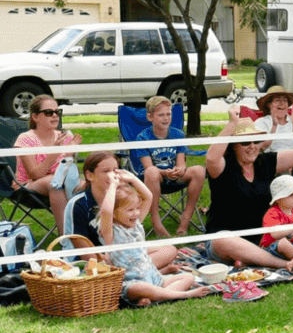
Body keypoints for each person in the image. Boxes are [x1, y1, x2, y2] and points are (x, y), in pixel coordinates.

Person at [202, 106, 293, 268]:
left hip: (263, 238)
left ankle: (251, 259)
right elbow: (211, 158)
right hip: (230, 240)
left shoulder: (266, 162)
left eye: (256, 140)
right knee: (223, 240)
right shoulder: (223, 166)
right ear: (233, 145)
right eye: (245, 142)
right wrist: (231, 124)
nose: (252, 146)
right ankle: (284, 263)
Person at [98, 169, 212, 306]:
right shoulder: (111, 232)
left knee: (188, 277)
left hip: (154, 278)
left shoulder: (136, 224)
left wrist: (132, 178)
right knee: (140, 288)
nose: (136, 213)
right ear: (115, 214)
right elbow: (106, 211)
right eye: (130, 210)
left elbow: (148, 197)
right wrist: (113, 185)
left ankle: (155, 297)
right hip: (131, 284)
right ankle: (183, 294)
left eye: (137, 208)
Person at [65, 151, 178, 273]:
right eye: (106, 171)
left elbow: (148, 198)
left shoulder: (122, 198)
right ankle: (143, 272)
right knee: (105, 265)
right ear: (90, 175)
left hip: (120, 257)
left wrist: (132, 178)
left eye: (115, 170)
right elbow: (83, 252)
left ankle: (135, 272)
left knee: (169, 250)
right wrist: (105, 260)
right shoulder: (78, 204)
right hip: (90, 260)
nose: (112, 175)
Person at [133, 96, 205, 237]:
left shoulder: (178, 135)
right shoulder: (143, 138)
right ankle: (156, 221)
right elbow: (148, 167)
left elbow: (181, 162)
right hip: (153, 178)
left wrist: (180, 169)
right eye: (161, 115)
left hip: (174, 175)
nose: (166, 118)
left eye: (168, 114)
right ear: (150, 117)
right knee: (152, 171)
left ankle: (186, 218)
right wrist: (164, 172)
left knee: (199, 170)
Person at [14, 94, 82, 234]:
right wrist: (55, 151)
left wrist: (71, 152)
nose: (55, 116)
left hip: (64, 182)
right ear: (35, 117)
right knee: (54, 183)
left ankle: (98, 233)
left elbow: (68, 170)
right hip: (28, 186)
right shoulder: (25, 139)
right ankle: (66, 238)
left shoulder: (64, 137)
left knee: (94, 182)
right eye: (49, 112)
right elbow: (35, 174)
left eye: (57, 112)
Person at [253, 85, 293, 188]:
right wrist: (274, 127)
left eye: (285, 100)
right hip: (275, 163)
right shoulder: (262, 122)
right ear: (269, 105)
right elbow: (261, 147)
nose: (282, 103)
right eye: (277, 100)